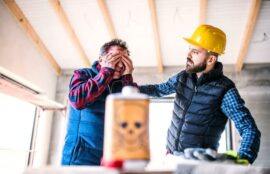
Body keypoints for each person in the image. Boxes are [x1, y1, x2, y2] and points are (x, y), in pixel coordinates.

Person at [138, 24, 261, 164]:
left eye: (195, 52)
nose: (188, 55)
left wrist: (242, 161)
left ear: (211, 60)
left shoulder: (224, 90)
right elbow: (159, 89)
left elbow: (249, 129)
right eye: (189, 49)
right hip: (171, 157)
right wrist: (129, 88)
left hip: (199, 165)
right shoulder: (183, 77)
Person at [61, 39, 135, 165]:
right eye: (115, 58)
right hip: (80, 157)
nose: (121, 65)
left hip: (110, 157)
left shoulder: (122, 85)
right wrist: (106, 72)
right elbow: (77, 101)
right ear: (101, 59)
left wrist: (128, 78)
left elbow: (132, 117)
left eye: (124, 61)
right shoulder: (83, 74)